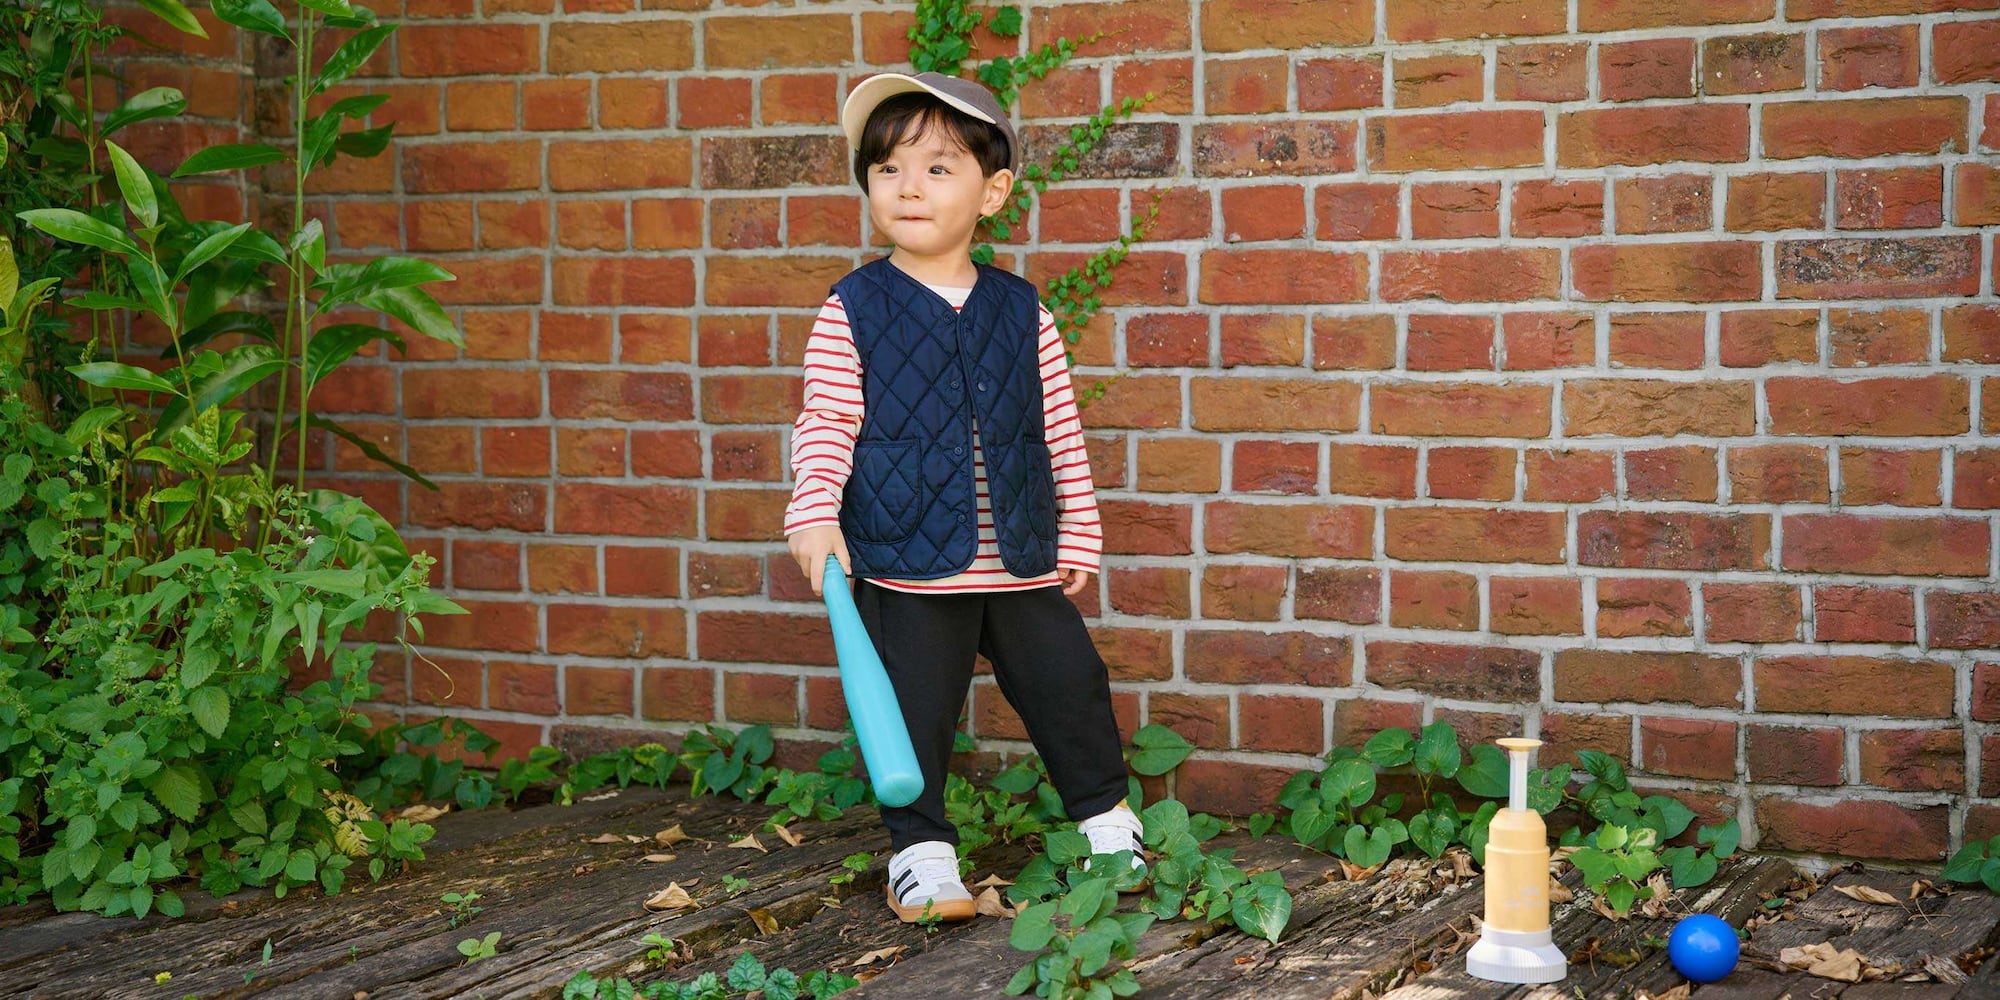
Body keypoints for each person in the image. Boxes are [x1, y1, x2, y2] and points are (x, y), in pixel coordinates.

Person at [783, 72, 1144, 924]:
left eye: (939, 168)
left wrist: (1079, 535)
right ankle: (921, 854)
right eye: (888, 169)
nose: (908, 187)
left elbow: (1059, 430)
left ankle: (1107, 823)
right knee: (913, 715)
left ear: (994, 192)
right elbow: (827, 418)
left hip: (1019, 560)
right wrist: (815, 509)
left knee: (1071, 684)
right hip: (907, 563)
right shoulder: (853, 309)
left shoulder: (1024, 310)